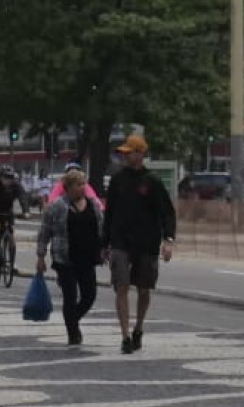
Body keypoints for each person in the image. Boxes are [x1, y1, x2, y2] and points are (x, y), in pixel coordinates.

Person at [102, 134, 177, 354]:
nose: (125, 157)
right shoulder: (117, 180)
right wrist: (104, 243)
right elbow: (109, 213)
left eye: (129, 153)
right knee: (121, 287)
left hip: (147, 242)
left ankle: (139, 328)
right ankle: (125, 336)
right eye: (123, 153)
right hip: (120, 242)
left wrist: (168, 240)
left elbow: (167, 213)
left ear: (140, 154)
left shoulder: (152, 181)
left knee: (144, 290)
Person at [36, 166, 105, 346]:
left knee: (89, 295)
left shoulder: (93, 205)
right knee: (70, 296)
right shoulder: (57, 207)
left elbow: (101, 228)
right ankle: (73, 333)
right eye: (78, 184)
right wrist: (40, 256)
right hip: (65, 259)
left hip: (88, 258)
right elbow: (44, 232)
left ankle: (72, 319)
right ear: (68, 188)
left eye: (83, 184)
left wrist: (105, 249)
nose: (82, 188)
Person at [0, 167, 26, 265]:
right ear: (0, 178)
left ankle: (11, 264)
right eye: (6, 178)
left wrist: (26, 211)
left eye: (11, 178)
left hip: (7, 213)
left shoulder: (16, 186)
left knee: (12, 238)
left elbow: (23, 197)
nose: (8, 180)